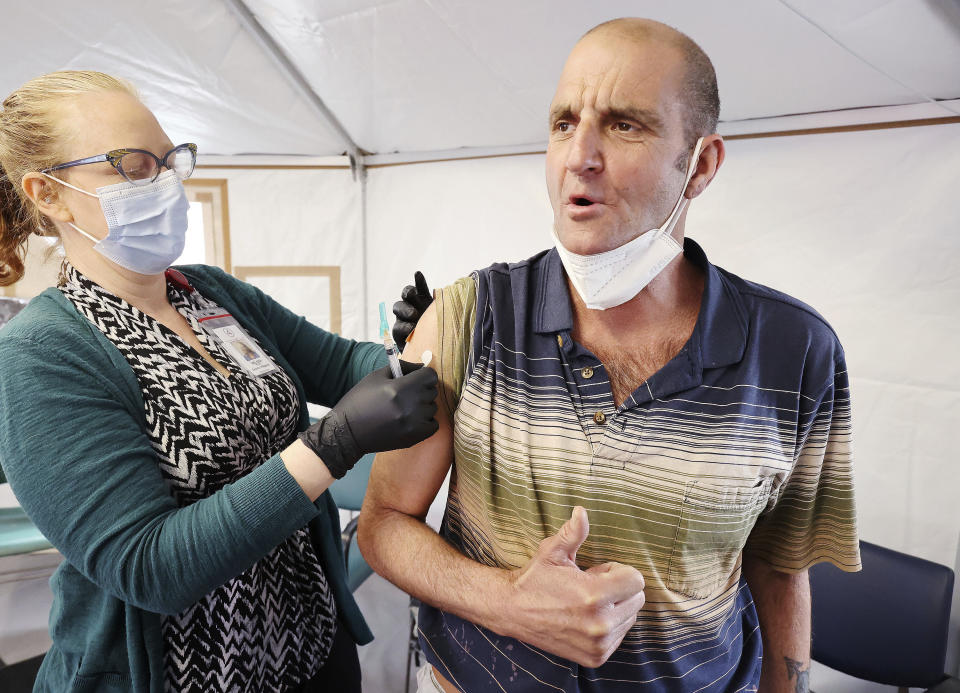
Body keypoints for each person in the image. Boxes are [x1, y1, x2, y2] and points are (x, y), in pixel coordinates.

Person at [362, 18, 859, 693]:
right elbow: (384, 523)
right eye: (564, 123)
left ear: (701, 164)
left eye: (625, 125)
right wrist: (507, 599)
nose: (579, 156)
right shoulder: (466, 318)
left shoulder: (796, 354)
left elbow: (779, 566)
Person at [0, 70, 438, 693]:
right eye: (132, 166)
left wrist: (413, 343)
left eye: (172, 161)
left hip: (308, 655)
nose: (167, 183)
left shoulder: (211, 294)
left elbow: (345, 368)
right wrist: (332, 445)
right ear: (50, 193)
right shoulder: (43, 356)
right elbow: (151, 568)